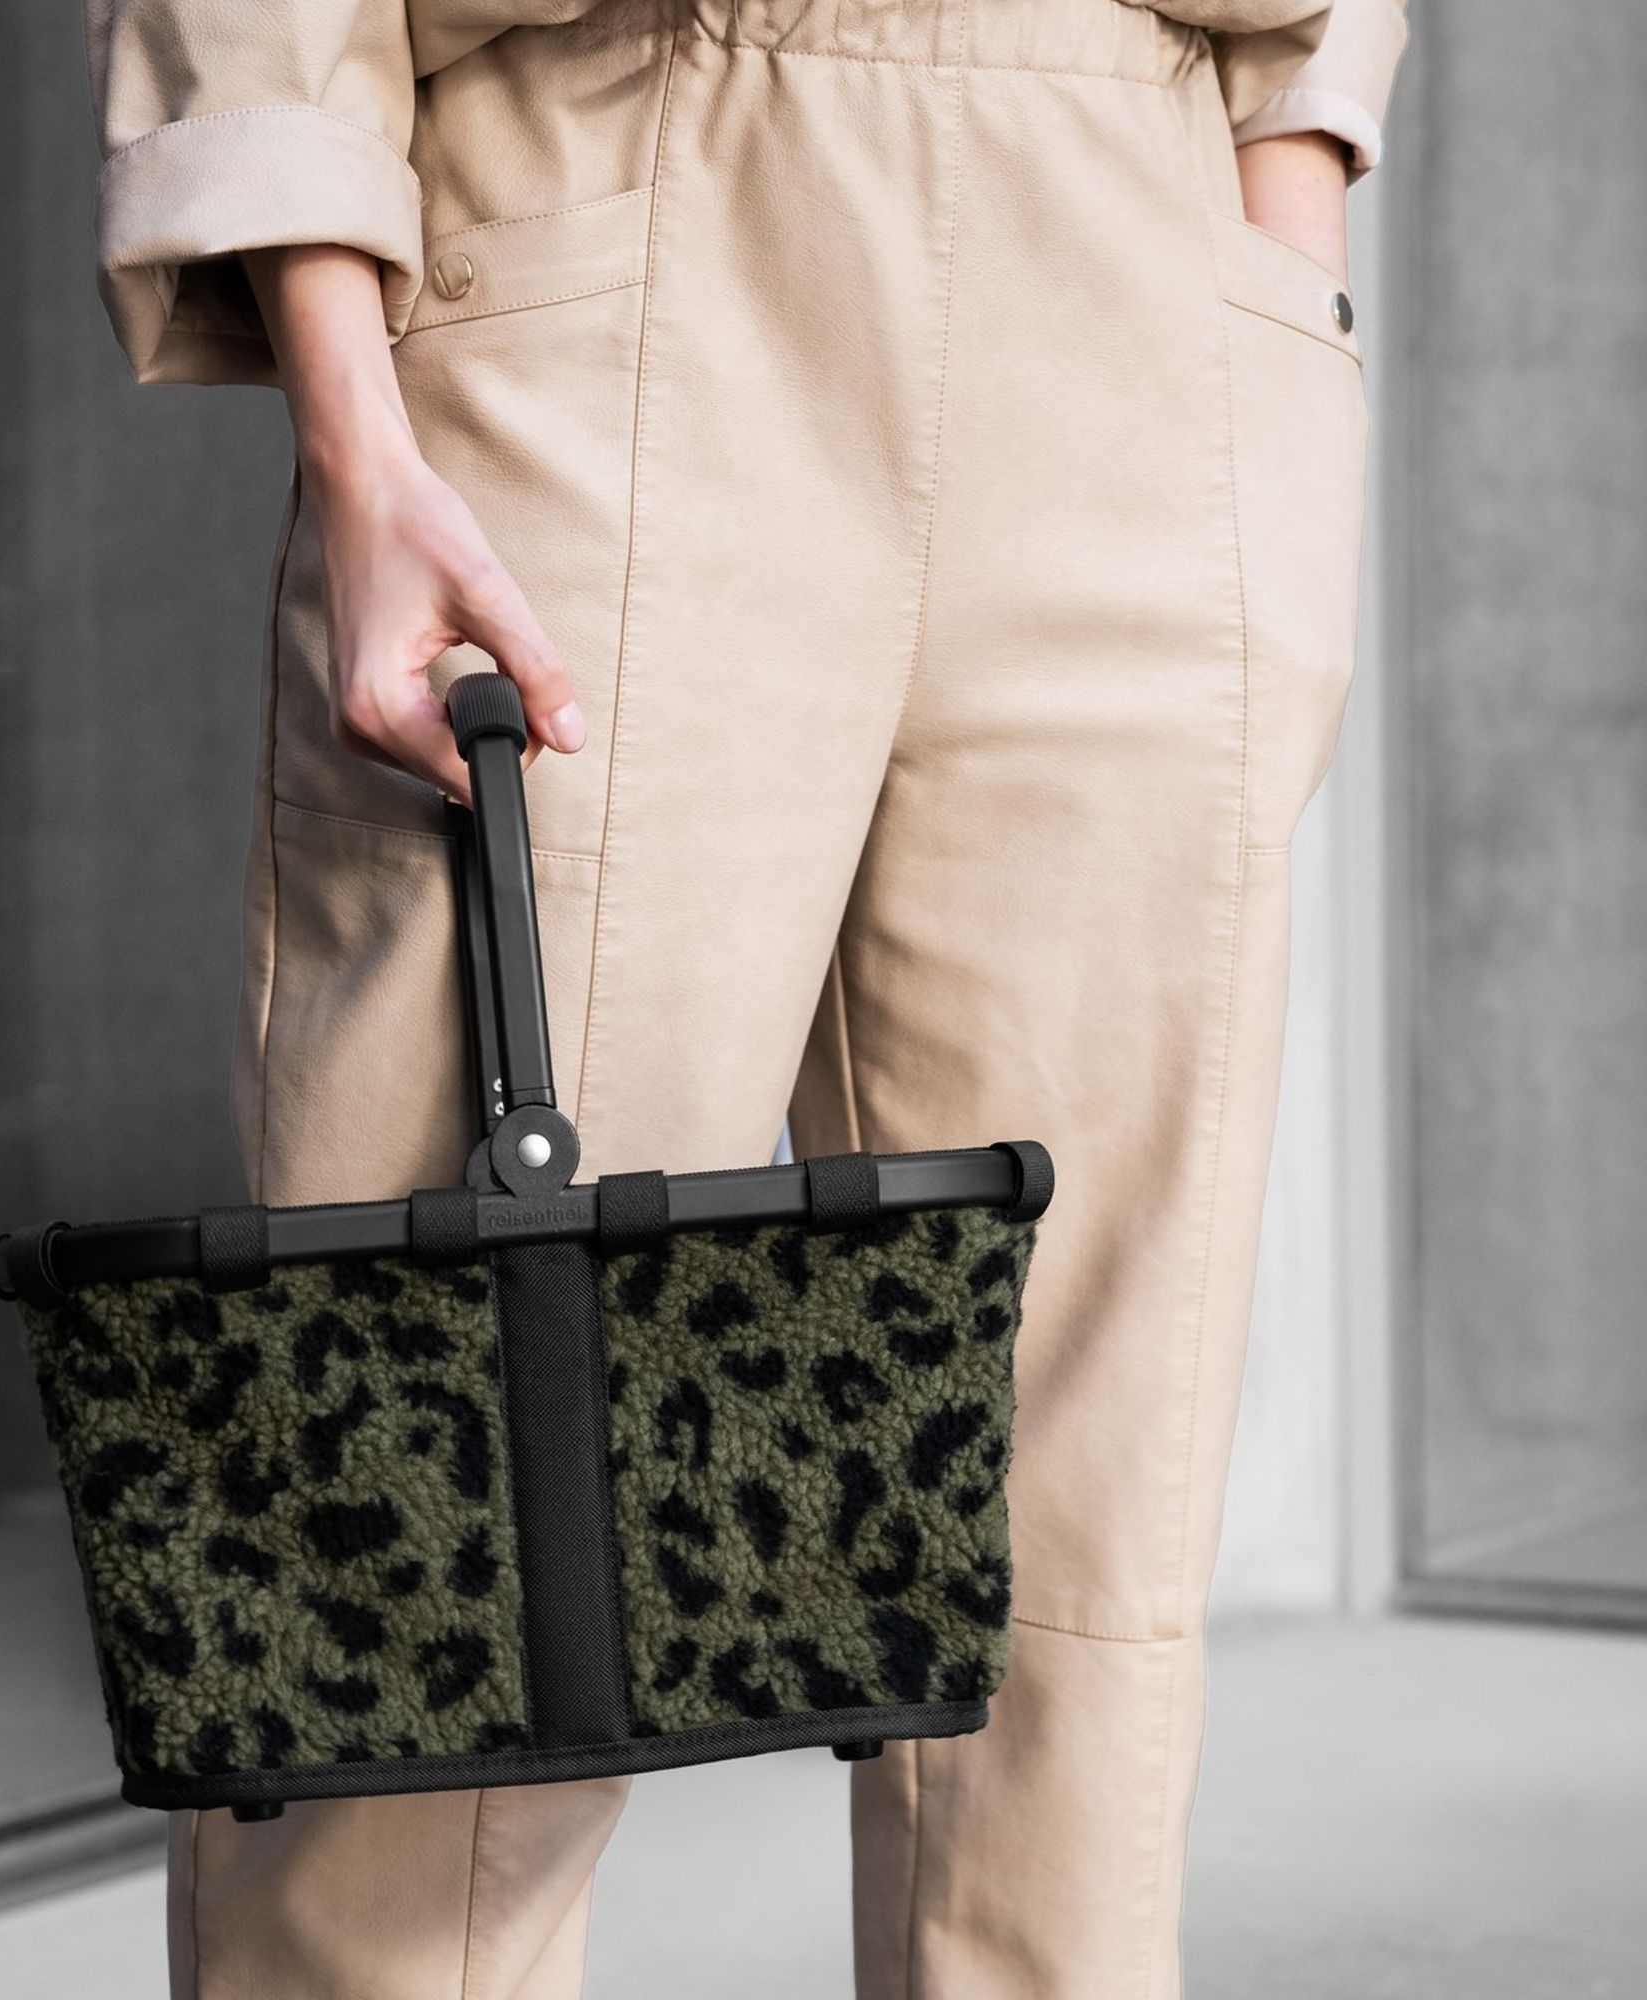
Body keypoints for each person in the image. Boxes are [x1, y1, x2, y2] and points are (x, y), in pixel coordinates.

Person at [81, 0, 1408, 1990]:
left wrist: (1277, 237)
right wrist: (351, 425)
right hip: (616, 216)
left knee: (1078, 1549)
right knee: (440, 1490)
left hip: (1138, 252)